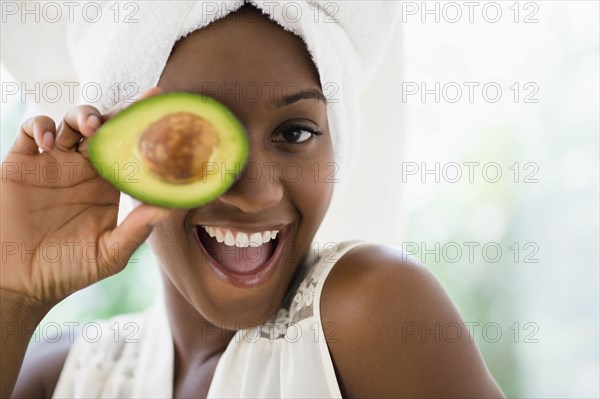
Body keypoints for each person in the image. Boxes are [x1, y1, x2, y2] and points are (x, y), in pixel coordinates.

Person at [1, 3, 505, 398]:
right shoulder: (61, 374)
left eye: (296, 131)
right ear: (124, 156)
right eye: (192, 138)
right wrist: (12, 298)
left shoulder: (373, 311)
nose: (256, 193)